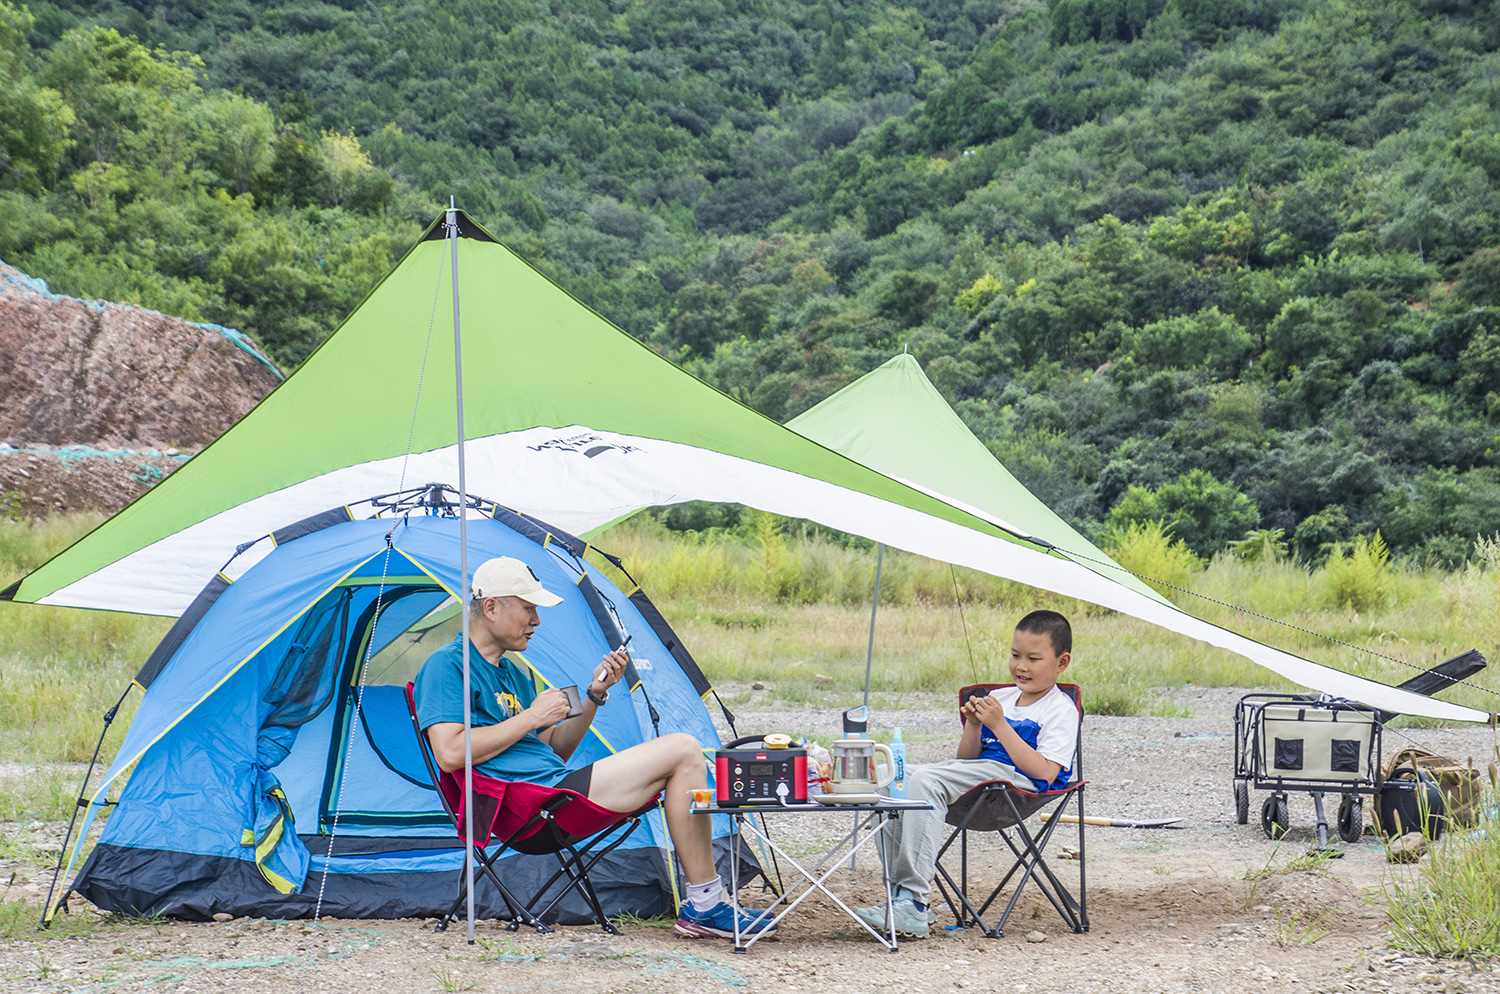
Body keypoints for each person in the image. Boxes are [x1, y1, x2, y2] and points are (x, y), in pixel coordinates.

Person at [413, 555, 774, 939]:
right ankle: (705, 905)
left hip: (553, 792)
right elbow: (450, 755)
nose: (536, 621)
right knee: (683, 748)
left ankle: (705, 902)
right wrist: (532, 717)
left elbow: (555, 753)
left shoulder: (514, 674)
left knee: (685, 760)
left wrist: (593, 696)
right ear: (491, 608)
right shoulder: (447, 665)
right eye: (529, 608)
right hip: (525, 809)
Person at [855, 609, 1079, 939]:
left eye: (1034, 658)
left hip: (1016, 787)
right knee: (889, 777)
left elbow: (1045, 773)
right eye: (1015, 655)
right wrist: (974, 725)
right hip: (980, 775)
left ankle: (914, 904)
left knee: (924, 783)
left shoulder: (1060, 709)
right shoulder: (1000, 697)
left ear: (1061, 663)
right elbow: (966, 759)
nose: (1021, 666)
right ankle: (900, 895)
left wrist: (1000, 725)